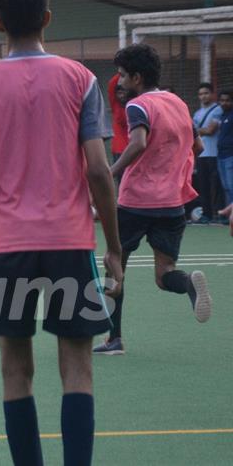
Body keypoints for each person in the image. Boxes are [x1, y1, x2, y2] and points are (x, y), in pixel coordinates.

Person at [0, 0, 122, 466]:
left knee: (16, 372)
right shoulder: (81, 79)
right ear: (47, 18)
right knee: (78, 368)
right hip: (71, 244)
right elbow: (98, 169)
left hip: (10, 247)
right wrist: (114, 247)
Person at [94, 44, 212, 356]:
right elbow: (197, 147)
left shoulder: (138, 106)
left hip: (136, 202)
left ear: (136, 77)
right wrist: (172, 167)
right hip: (172, 203)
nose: (119, 83)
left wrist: (112, 171)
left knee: (114, 266)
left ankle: (113, 339)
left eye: (121, 76)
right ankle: (187, 283)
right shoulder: (178, 103)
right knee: (164, 274)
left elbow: (139, 142)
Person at [191, 83, 224, 224]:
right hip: (202, 155)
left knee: (217, 186)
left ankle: (220, 214)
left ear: (212, 94)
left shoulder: (218, 110)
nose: (203, 96)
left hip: (214, 153)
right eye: (201, 94)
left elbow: (210, 130)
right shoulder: (197, 113)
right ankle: (206, 214)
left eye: (206, 93)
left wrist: (195, 130)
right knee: (203, 186)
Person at [216, 90, 233, 208]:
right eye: (222, 100)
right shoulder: (223, 115)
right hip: (221, 155)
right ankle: (229, 215)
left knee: (231, 186)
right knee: (226, 187)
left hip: (231, 155)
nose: (224, 103)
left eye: (227, 100)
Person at [108, 73, 130, 166]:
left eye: (123, 93)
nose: (121, 96)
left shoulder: (133, 105)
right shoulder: (116, 105)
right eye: (119, 93)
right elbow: (112, 84)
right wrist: (123, 72)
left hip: (134, 147)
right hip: (119, 149)